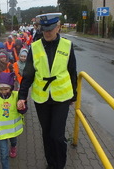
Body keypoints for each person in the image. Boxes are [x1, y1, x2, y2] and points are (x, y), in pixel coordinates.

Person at [17, 13, 77, 169]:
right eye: (44, 29)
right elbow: (28, 74)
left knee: (57, 135)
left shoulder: (67, 46)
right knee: (47, 134)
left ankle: (59, 165)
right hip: (41, 98)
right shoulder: (35, 47)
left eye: (50, 29)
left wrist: (74, 95)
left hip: (61, 97)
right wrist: (22, 96)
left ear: (58, 27)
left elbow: (72, 72)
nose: (47, 32)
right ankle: (51, 164)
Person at [0, 72, 27, 169]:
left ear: (11, 87)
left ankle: (13, 147)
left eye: (6, 89)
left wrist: (22, 107)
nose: (3, 91)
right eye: (0, 89)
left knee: (14, 141)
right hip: (1, 132)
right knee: (4, 153)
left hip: (13, 130)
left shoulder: (16, 96)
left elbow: (24, 110)